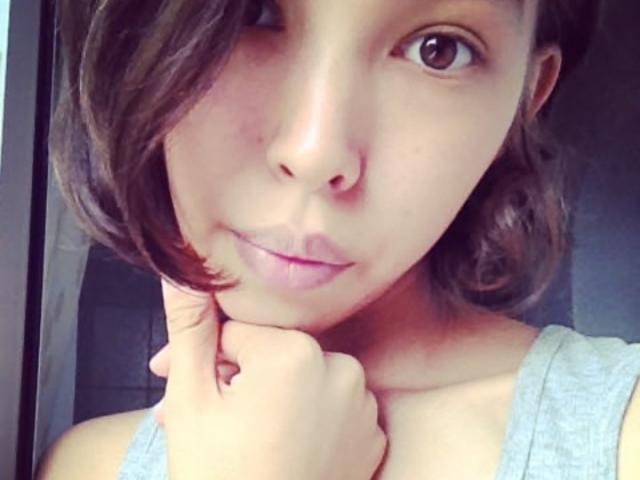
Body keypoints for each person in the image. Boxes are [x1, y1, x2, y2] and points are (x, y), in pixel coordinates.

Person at [36, 0, 640, 478]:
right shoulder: (89, 466)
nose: (314, 151)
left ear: (527, 96)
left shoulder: (620, 438)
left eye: (438, 50)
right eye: (251, 12)